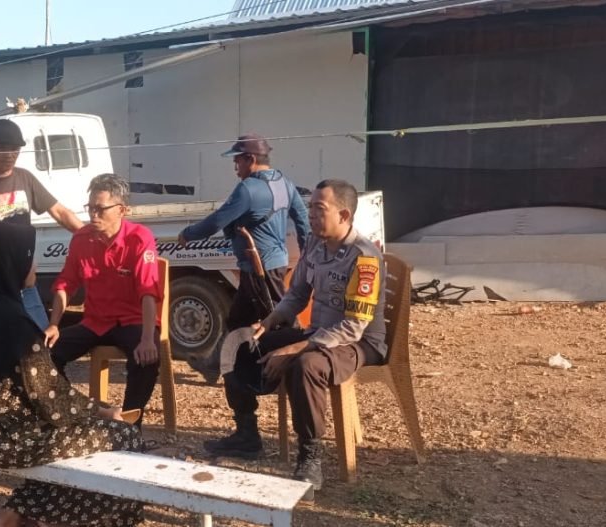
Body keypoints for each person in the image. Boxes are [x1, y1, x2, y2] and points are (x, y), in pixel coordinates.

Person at [0, 222, 144, 527]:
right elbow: (50, 395)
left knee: (74, 435)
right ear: (9, 262)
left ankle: (13, 515)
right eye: (28, 256)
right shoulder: (12, 321)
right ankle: (22, 516)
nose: (34, 264)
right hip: (4, 439)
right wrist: (104, 412)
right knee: (123, 436)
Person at [205, 179, 386, 492]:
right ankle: (246, 433)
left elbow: (354, 327)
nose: (310, 215)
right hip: (318, 334)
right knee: (238, 343)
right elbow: (298, 294)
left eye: (319, 209)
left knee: (306, 366)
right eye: (310, 208)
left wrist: (297, 348)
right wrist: (270, 321)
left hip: (357, 343)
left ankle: (310, 457)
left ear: (344, 215)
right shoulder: (315, 244)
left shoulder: (364, 258)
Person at [176, 134, 311, 379]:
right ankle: (214, 365)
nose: (235, 165)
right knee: (238, 319)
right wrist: (308, 254)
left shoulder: (248, 189)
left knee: (282, 320)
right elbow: (302, 220)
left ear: (251, 159)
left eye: (237, 159)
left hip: (261, 268)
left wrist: (188, 234)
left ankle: (298, 365)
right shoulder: (284, 182)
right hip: (267, 265)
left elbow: (217, 221)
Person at [45, 174, 162, 423]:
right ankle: (76, 414)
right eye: (90, 208)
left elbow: (148, 291)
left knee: (146, 358)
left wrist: (147, 338)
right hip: (96, 321)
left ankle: (129, 426)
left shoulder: (139, 238)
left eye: (100, 209)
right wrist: (54, 324)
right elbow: (65, 284)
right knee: (43, 355)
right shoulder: (81, 238)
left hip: (133, 320)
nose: (93, 215)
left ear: (122, 210)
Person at [0, 118, 83, 329]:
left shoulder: (25, 178)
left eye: (15, 149)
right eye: (3, 148)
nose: (10, 154)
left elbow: (60, 212)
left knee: (39, 337)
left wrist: (90, 235)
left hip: (24, 283)